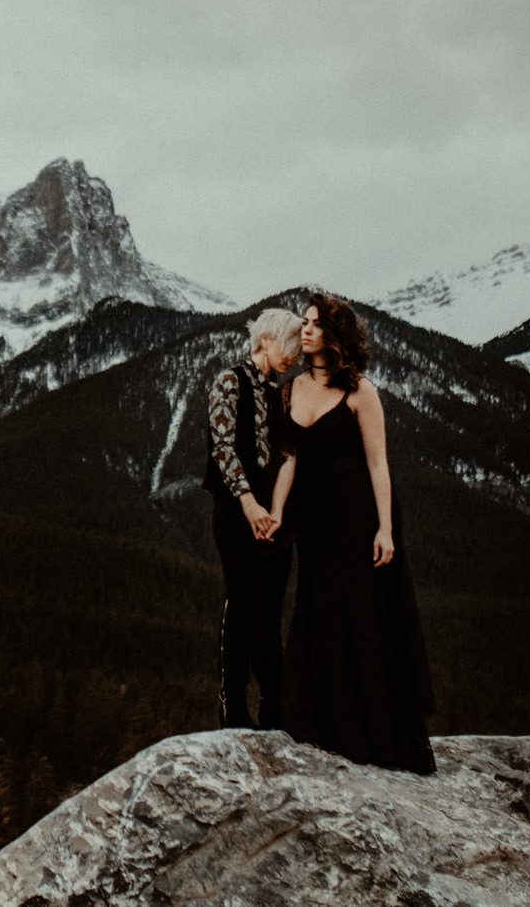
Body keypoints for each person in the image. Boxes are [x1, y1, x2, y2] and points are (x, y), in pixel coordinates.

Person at [264, 291, 436, 773]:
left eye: (317, 323)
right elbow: (289, 460)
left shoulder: (361, 391)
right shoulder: (289, 390)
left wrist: (386, 528)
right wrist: (277, 513)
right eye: (305, 322)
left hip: (358, 517)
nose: (307, 329)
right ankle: (322, 726)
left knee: (360, 615)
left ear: (335, 334)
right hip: (314, 522)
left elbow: (379, 463)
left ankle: (373, 734)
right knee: (319, 610)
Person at [201, 306, 303, 729]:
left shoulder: (278, 394)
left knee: (268, 611)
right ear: (267, 340)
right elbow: (222, 448)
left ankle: (274, 705)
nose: (296, 355)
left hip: (274, 519)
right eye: (292, 345)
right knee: (241, 602)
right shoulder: (230, 381)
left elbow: (285, 456)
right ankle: (232, 705)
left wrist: (275, 511)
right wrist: (248, 504)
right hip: (236, 512)